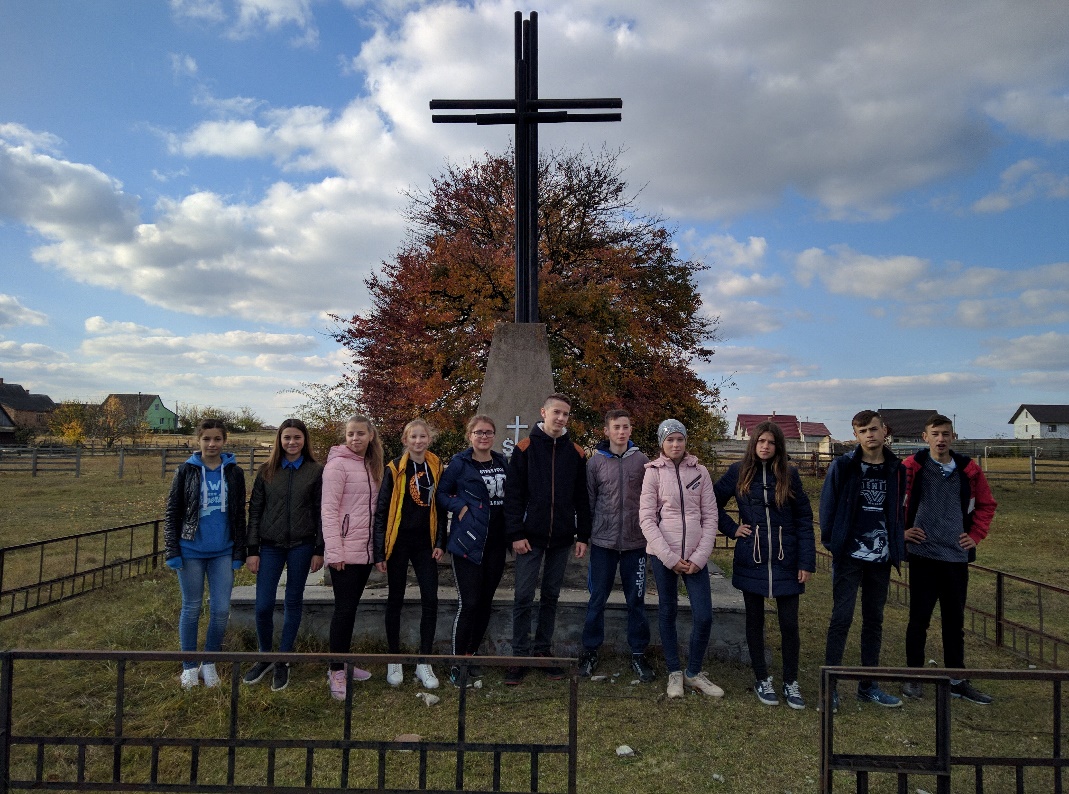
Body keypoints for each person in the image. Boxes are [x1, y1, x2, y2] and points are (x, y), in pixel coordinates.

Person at [714, 421, 815, 709]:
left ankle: (791, 681)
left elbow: (804, 518)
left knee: (789, 623)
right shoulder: (738, 472)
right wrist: (732, 529)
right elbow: (710, 503)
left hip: (786, 558)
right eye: (761, 441)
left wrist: (806, 561)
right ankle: (762, 678)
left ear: (778, 446)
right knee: (754, 621)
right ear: (753, 443)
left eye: (771, 442)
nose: (765, 446)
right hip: (753, 556)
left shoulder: (789, 475)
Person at [902, 413, 997, 704]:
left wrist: (975, 535)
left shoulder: (969, 470)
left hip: (955, 556)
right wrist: (902, 532)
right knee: (919, 619)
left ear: (953, 437)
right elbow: (891, 503)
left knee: (954, 621)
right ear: (925, 437)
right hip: (923, 554)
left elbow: (986, 504)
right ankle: (913, 676)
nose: (941, 439)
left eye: (946, 434)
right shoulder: (911, 467)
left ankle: (957, 679)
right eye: (935, 434)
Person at [503, 393, 592, 685]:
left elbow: (582, 498)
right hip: (529, 538)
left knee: (551, 597)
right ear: (544, 412)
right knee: (523, 597)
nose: (561, 418)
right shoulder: (525, 449)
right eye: (556, 412)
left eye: (565, 414)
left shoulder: (576, 453)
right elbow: (513, 496)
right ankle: (519, 656)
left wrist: (583, 535)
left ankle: (542, 651)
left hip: (562, 538)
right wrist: (516, 533)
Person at [821, 409, 906, 711]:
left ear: (885, 431)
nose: (869, 434)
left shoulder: (896, 469)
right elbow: (828, 507)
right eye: (863, 431)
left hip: (880, 558)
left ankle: (868, 686)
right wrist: (834, 545)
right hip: (849, 556)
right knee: (841, 619)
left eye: (873, 429)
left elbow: (899, 509)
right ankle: (830, 687)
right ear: (856, 435)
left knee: (874, 621)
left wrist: (896, 542)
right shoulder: (843, 466)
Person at [639, 419, 723, 699]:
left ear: (686, 441)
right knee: (668, 611)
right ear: (661, 443)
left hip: (696, 556)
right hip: (664, 555)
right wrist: (669, 557)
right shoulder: (652, 473)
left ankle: (693, 672)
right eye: (670, 440)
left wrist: (700, 556)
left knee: (704, 615)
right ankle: (674, 671)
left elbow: (710, 516)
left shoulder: (700, 472)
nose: (675, 444)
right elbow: (647, 519)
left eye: (679, 439)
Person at [164, 418, 247, 690]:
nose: (212, 444)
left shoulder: (234, 473)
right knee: (191, 607)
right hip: (190, 551)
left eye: (217, 439)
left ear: (225, 441)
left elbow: (239, 514)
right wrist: (172, 550)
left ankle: (209, 663)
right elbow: (172, 513)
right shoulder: (186, 471)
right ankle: (189, 666)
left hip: (222, 551)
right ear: (198, 441)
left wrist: (239, 550)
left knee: (221, 609)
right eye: (206, 439)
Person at [243, 418, 325, 692]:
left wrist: (319, 549)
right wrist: (252, 550)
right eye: (287, 437)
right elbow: (255, 511)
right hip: (270, 546)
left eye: (297, 437)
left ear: (305, 440)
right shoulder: (267, 471)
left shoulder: (315, 471)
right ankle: (265, 655)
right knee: (263, 604)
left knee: (293, 600)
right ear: (279, 440)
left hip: (302, 545)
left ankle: (284, 658)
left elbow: (321, 511)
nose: (292, 442)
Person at [578, 409, 654, 683]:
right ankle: (590, 651)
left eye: (625, 426)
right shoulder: (595, 462)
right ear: (606, 431)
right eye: (616, 427)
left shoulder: (642, 461)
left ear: (631, 430)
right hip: (603, 542)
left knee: (636, 600)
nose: (621, 431)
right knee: (597, 598)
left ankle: (638, 653)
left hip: (636, 543)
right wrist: (584, 536)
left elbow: (651, 500)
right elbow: (588, 501)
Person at [373, 419, 447, 690]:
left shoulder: (436, 466)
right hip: (398, 542)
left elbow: (440, 506)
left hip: (425, 543)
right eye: (413, 437)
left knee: (430, 598)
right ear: (405, 440)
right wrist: (379, 551)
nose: (418, 441)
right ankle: (394, 658)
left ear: (429, 439)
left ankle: (424, 661)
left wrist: (440, 541)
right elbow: (382, 510)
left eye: (422, 436)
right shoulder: (394, 468)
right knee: (396, 597)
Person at [437, 415, 509, 687]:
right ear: (470, 435)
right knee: (469, 603)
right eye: (479, 432)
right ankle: (457, 663)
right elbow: (442, 494)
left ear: (494, 435)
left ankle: (471, 655)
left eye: (488, 432)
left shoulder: (502, 462)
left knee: (485, 603)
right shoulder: (460, 463)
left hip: (495, 543)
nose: (484, 437)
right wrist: (460, 507)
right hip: (468, 542)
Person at [322, 414, 383, 701]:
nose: (355, 438)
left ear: (371, 435)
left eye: (360, 433)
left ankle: (343, 661)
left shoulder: (372, 464)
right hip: (344, 552)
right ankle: (335, 670)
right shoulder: (337, 465)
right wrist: (334, 551)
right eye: (350, 434)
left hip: (364, 551)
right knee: (344, 611)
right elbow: (329, 510)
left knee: (351, 609)